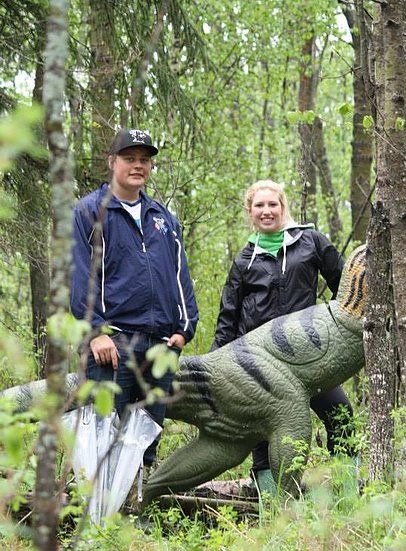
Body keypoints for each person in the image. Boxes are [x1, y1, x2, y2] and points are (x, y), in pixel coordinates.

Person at [211, 179, 353, 493]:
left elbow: (347, 284)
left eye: (272, 204)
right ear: (250, 211)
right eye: (259, 206)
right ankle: (273, 509)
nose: (266, 211)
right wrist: (213, 369)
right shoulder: (244, 261)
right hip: (262, 365)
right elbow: (228, 319)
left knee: (341, 416)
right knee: (263, 435)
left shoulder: (310, 241)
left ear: (282, 207)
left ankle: (349, 498)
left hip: (310, 356)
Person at [71, 128, 198, 470]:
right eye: (129, 158)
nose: (138, 165)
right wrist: (95, 331)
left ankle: (136, 519)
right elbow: (81, 275)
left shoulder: (164, 219)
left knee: (145, 444)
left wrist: (185, 330)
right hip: (113, 347)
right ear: (112, 162)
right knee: (103, 440)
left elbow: (179, 275)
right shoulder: (88, 213)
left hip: (161, 348)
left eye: (145, 160)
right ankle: (99, 521)